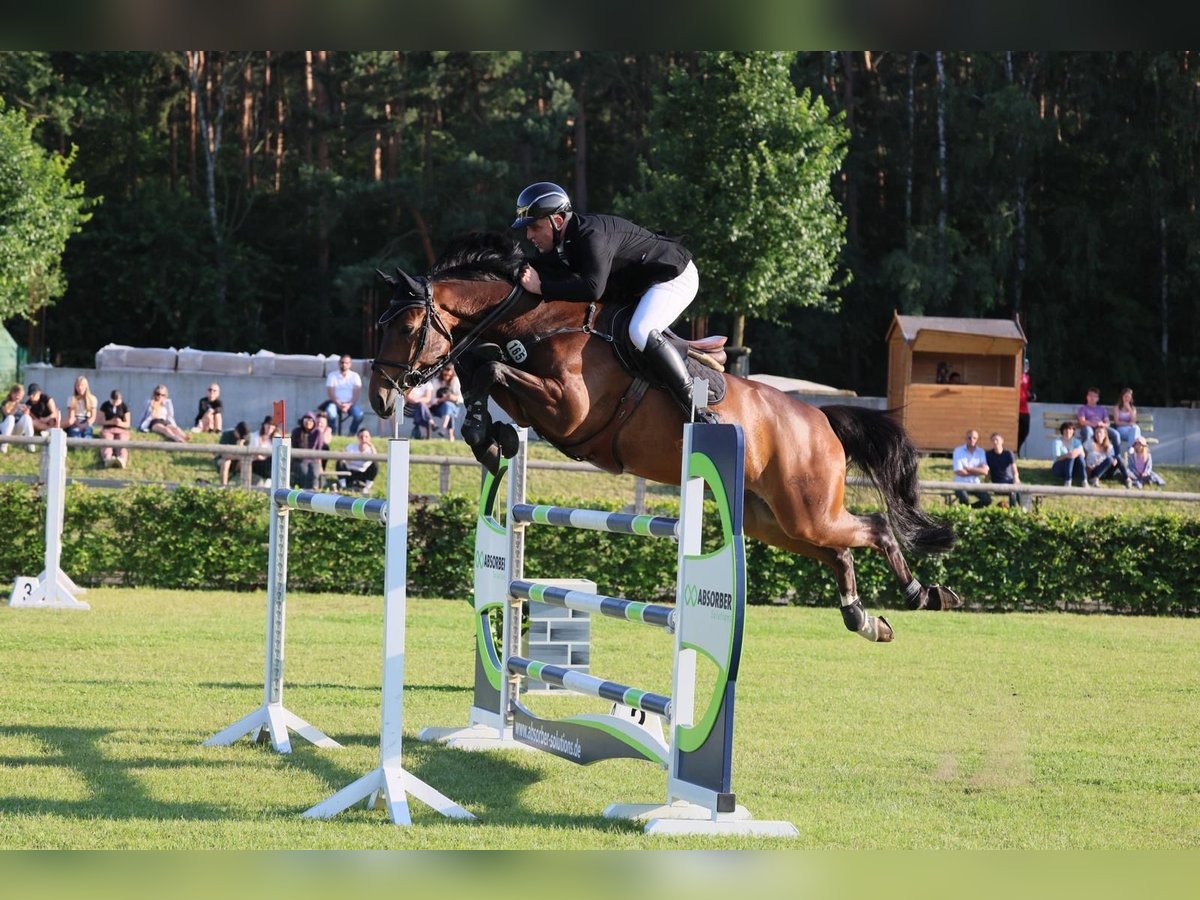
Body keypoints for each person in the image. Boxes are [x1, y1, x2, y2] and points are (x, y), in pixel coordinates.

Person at [512, 180, 716, 424]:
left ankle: (696, 407)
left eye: (534, 227)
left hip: (673, 276)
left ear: (556, 221)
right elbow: (535, 267)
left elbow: (593, 288)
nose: (529, 235)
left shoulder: (590, 236)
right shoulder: (563, 243)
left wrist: (542, 287)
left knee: (640, 331)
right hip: (640, 285)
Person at [322, 354, 364, 436]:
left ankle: (351, 433)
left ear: (350, 364)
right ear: (339, 363)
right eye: (342, 362)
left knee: (359, 415)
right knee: (330, 412)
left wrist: (348, 405)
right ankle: (332, 433)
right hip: (335, 403)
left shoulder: (355, 376)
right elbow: (331, 393)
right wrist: (339, 404)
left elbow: (357, 394)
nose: (344, 364)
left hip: (350, 404)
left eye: (346, 363)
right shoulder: (332, 375)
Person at [952, 428, 991, 508]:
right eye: (969, 438)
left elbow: (985, 471)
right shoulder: (958, 451)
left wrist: (968, 469)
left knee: (987, 500)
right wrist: (977, 471)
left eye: (974, 438)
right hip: (960, 484)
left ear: (977, 439)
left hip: (975, 484)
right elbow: (959, 472)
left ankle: (970, 508)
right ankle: (966, 512)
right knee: (964, 498)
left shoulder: (981, 451)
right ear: (965, 439)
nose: (972, 440)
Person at [1084, 421, 1131, 488]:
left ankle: (1127, 478)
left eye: (1100, 433)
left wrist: (1114, 460)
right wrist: (1087, 467)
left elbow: (1111, 459)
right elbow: (1083, 456)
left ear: (1104, 435)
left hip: (1106, 472)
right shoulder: (1089, 443)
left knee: (1117, 458)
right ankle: (1094, 479)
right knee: (1109, 459)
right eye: (1097, 433)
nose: (1098, 434)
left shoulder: (1109, 446)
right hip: (1093, 470)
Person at [1076, 387, 1121, 453]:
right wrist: (1092, 424)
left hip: (1101, 428)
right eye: (1090, 395)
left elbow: (1107, 423)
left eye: (1094, 396)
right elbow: (1082, 421)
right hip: (1089, 427)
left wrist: (1102, 424)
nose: (1092, 398)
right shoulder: (1083, 409)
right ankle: (1086, 455)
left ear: (1098, 399)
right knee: (1088, 432)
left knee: (1116, 434)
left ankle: (1117, 455)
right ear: (1087, 397)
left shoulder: (1102, 409)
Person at [984, 432, 1023, 508]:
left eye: (997, 440)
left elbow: (1014, 470)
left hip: (1009, 481)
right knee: (1014, 491)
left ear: (1002, 441)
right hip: (997, 483)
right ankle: (1014, 510)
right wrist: (985, 484)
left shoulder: (1008, 453)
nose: (995, 442)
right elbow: (988, 472)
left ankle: (1022, 508)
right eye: (993, 440)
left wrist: (1016, 479)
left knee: (1019, 488)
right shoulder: (988, 455)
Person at [289, 411, 326, 489]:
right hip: (299, 459)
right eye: (306, 420)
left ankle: (314, 492)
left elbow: (319, 449)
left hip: (314, 459)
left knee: (315, 473)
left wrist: (320, 466)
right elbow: (294, 447)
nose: (308, 422)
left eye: (311, 420)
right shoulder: (296, 432)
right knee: (303, 471)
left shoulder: (318, 433)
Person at [98, 388, 131, 468]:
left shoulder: (124, 406)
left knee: (122, 441)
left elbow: (128, 423)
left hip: (121, 429)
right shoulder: (105, 405)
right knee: (107, 441)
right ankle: (107, 459)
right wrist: (110, 422)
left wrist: (120, 423)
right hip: (108, 429)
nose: (115, 403)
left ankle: (122, 459)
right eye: (114, 401)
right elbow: (100, 421)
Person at [430, 364, 463, 439]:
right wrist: (443, 399)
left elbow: (461, 399)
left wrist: (452, 398)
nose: (446, 375)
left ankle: (444, 429)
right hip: (438, 407)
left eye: (448, 373)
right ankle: (450, 435)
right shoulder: (437, 382)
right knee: (448, 407)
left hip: (454, 408)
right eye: (445, 373)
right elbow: (432, 398)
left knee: (448, 407)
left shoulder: (455, 381)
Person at [1, 383, 35, 453]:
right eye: (15, 394)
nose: (17, 396)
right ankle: (4, 444)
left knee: (27, 418)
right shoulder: (5, 403)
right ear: (11, 394)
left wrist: (26, 411)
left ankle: (30, 442)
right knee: (11, 418)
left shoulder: (23, 404)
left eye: (19, 394)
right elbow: (7, 414)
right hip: (6, 427)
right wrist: (15, 408)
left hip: (17, 429)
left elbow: (26, 420)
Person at [342, 427, 378, 492]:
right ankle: (343, 486)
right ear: (358, 438)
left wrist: (371, 445)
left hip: (363, 473)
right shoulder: (351, 447)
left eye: (366, 437)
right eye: (361, 437)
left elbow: (376, 457)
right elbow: (342, 456)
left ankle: (367, 488)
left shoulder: (370, 450)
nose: (364, 439)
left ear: (370, 438)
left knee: (375, 464)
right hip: (350, 473)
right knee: (340, 462)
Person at [1052, 421, 1087, 487]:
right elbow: (1057, 457)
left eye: (1070, 429)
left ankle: (1084, 480)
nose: (1068, 431)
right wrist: (1068, 455)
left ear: (1073, 431)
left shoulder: (1077, 441)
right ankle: (1068, 480)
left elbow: (1083, 455)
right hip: (1059, 468)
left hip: (1073, 468)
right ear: (1062, 431)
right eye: (1066, 429)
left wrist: (1076, 452)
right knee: (1071, 456)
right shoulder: (1057, 442)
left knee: (1078, 456)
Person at [216, 421, 251, 486]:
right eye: (240, 435)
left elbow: (245, 454)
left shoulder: (246, 438)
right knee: (226, 462)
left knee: (245, 461)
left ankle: (244, 486)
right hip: (224, 459)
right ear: (236, 430)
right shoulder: (226, 435)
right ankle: (224, 486)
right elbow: (224, 455)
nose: (241, 438)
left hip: (237, 461)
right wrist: (238, 455)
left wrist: (241, 447)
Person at [1111, 387, 1143, 453]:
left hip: (1132, 430)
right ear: (1122, 397)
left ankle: (1130, 447)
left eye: (1129, 397)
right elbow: (1117, 422)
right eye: (1125, 396)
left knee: (1135, 428)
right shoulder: (1117, 408)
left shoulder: (1133, 409)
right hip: (1121, 430)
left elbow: (1133, 422)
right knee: (1136, 433)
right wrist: (1128, 424)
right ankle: (1132, 447)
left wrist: (1129, 409)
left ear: (1131, 398)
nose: (1127, 399)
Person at [248, 416, 277, 484]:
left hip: (267, 464)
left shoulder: (274, 438)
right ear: (264, 425)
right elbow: (251, 452)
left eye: (273, 425)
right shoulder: (254, 436)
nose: (270, 427)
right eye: (268, 424)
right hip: (254, 462)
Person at [1017, 358, 1034, 456]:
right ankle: (1016, 452)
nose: (1026, 367)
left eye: (1027, 365)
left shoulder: (1027, 377)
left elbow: (1026, 391)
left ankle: (1017, 449)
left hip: (1024, 408)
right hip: (1016, 408)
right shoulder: (1016, 376)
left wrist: (1031, 396)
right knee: (1017, 431)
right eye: (1024, 365)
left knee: (1025, 431)